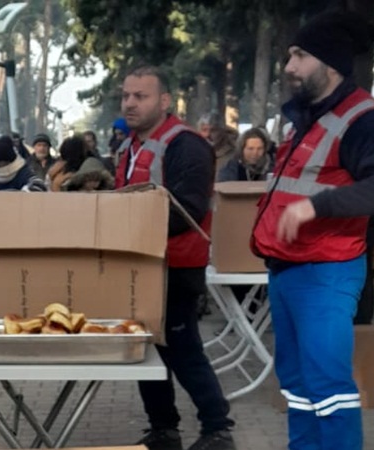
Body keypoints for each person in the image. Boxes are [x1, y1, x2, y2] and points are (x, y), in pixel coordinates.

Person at [249, 11, 374, 450]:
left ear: (331, 63)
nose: (289, 67)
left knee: (328, 387)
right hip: (288, 270)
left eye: (300, 56)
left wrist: (315, 206)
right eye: (289, 55)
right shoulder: (307, 117)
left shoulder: (364, 118)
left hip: (326, 273)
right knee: (298, 386)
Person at [116, 65, 235, 450]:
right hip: (139, 266)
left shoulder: (186, 145)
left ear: (164, 101)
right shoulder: (129, 146)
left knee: (183, 351)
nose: (130, 103)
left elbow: (190, 208)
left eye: (141, 96)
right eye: (126, 96)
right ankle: (164, 429)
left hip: (176, 267)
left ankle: (218, 429)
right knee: (146, 351)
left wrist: (131, 229)